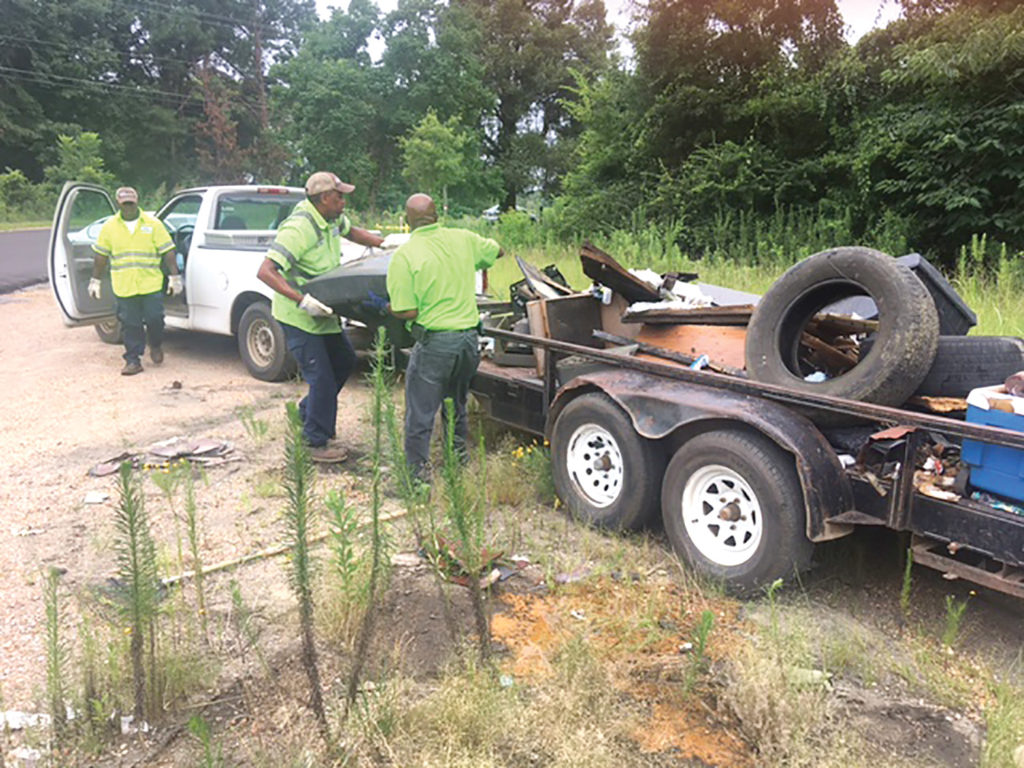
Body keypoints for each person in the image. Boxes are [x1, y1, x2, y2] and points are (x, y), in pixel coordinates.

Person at [256, 171, 388, 463]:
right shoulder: (299, 229)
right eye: (339, 196)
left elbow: (352, 232)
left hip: (324, 313)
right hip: (300, 317)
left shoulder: (330, 218)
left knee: (344, 361)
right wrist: (302, 301)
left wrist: (384, 244)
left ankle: (308, 413)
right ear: (323, 198)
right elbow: (266, 271)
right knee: (323, 378)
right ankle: (314, 443)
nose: (344, 201)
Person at [384, 193, 503, 480]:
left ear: (407, 222)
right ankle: (456, 463)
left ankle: (416, 478)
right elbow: (497, 251)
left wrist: (388, 308)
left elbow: (408, 311)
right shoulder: (463, 239)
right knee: (456, 404)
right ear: (437, 216)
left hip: (436, 344)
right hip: (468, 343)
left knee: (420, 412)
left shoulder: (405, 256)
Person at [89, 186, 181, 376]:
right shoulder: (109, 227)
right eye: (125, 204)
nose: (129, 207)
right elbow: (101, 255)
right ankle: (133, 360)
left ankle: (155, 345)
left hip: (150, 284)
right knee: (131, 324)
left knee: (155, 319)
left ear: (137, 202)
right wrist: (95, 280)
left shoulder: (153, 224)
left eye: (131, 203)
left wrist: (174, 276)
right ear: (119, 204)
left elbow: (168, 251)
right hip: (124, 286)